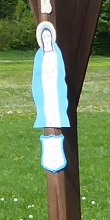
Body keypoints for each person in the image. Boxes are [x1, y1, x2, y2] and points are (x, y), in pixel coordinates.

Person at [32, 20, 70, 172]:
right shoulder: (39, 56)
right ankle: (48, 119)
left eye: (49, 37)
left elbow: (60, 73)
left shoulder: (56, 54)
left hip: (54, 87)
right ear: (41, 39)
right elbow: (37, 76)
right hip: (45, 88)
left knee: (55, 103)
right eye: (44, 37)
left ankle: (57, 118)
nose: (47, 39)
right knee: (47, 105)